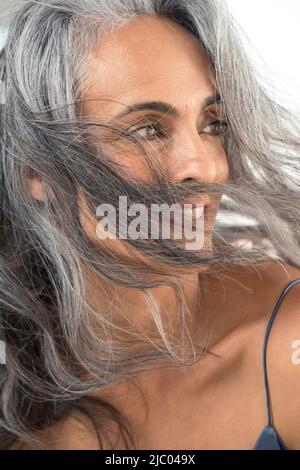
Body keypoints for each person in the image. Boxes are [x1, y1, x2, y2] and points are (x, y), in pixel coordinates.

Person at [1, 0, 300, 450]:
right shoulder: (23, 397)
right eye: (146, 130)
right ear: (34, 171)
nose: (202, 166)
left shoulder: (286, 345)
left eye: (212, 124)